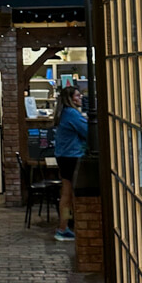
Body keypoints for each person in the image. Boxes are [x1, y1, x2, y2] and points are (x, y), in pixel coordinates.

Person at [52, 85, 87, 242]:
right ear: (70, 99)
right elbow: (88, 131)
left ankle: (64, 226)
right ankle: (64, 228)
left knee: (66, 194)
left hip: (63, 157)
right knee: (71, 195)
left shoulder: (63, 113)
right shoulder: (72, 113)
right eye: (77, 96)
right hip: (72, 156)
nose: (80, 98)